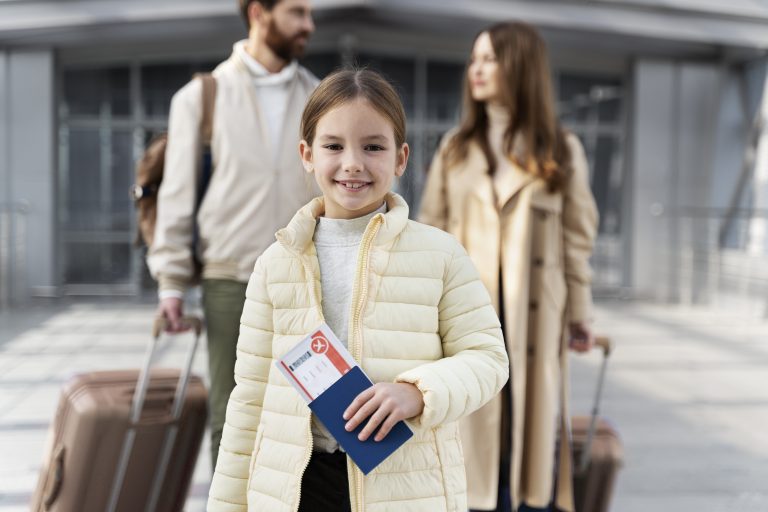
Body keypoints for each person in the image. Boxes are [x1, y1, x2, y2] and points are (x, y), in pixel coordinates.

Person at [205, 68, 510, 512]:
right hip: (297, 488)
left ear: (400, 158)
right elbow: (248, 402)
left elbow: (488, 359)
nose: (352, 163)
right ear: (307, 155)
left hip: (404, 488)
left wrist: (417, 392)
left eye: (373, 147)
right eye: (333, 146)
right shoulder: (276, 264)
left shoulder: (441, 255)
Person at [419, 22, 599, 512]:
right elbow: (430, 235)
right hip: (466, 317)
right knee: (470, 434)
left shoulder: (561, 149)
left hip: (534, 319)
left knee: (526, 435)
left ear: (519, 66)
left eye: (489, 59)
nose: (475, 70)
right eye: (473, 59)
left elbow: (576, 239)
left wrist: (580, 313)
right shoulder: (455, 149)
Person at [147, 0, 318, 469]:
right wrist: (171, 282)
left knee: (308, 415)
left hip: (305, 278)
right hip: (229, 277)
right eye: (297, 12)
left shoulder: (320, 96)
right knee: (232, 415)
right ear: (259, 12)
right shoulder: (203, 96)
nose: (309, 25)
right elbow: (177, 194)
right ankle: (231, 501)